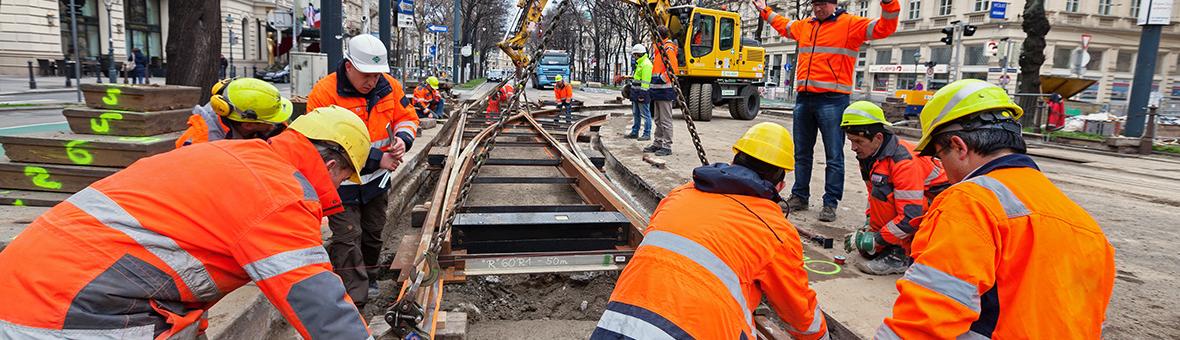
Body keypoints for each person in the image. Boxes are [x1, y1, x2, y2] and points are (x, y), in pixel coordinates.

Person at [0, 106, 375, 339]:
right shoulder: (280, 196)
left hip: (33, 286)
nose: (339, 189)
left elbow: (181, 263)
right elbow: (320, 305)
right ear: (329, 166)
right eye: (343, 178)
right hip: (65, 310)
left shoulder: (234, 157)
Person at [875, 79, 1115, 339]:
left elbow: (923, 323)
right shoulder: (1086, 226)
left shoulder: (971, 203)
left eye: (939, 157)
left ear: (959, 146)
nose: (943, 168)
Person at [592, 122, 829, 340]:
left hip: (616, 327)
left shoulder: (680, 194)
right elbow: (801, 316)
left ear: (734, 161)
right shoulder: (775, 231)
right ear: (780, 186)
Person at [754, 0, 900, 222]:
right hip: (804, 98)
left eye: (822, 4)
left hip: (833, 99)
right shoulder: (806, 26)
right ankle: (800, 195)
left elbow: (884, 28)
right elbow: (783, 24)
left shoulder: (851, 24)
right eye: (815, 4)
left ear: (834, 4)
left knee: (834, 156)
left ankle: (830, 202)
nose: (817, 8)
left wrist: (889, 4)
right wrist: (765, 10)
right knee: (801, 153)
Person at [307, 34, 420, 308]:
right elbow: (325, 143)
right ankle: (353, 300)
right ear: (349, 66)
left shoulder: (389, 87)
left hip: (376, 183)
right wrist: (376, 159)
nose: (372, 81)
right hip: (341, 185)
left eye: (377, 74)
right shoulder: (324, 93)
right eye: (365, 74)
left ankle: (369, 277)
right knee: (347, 238)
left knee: (372, 233)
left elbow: (407, 118)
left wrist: (402, 141)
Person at [838, 101, 949, 275]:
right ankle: (892, 245)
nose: (853, 148)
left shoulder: (903, 162)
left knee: (887, 195)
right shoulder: (869, 156)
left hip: (942, 208)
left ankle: (901, 255)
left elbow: (911, 216)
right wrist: (869, 225)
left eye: (858, 141)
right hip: (922, 206)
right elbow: (872, 196)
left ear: (878, 138)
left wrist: (876, 240)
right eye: (851, 141)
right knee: (881, 193)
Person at [176, 77, 293, 149]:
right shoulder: (201, 145)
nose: (274, 125)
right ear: (248, 125)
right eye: (270, 121)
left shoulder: (252, 123)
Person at [645, 25, 679, 157]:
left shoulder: (667, 48)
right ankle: (658, 143)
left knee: (665, 120)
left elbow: (673, 69)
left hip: (664, 90)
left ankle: (666, 146)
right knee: (658, 119)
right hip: (658, 90)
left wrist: (662, 79)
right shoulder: (659, 49)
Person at [625, 43, 652, 141]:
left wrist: (642, 94)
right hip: (636, 93)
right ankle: (635, 131)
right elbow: (638, 79)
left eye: (634, 55)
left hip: (642, 94)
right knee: (636, 113)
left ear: (637, 54)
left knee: (645, 114)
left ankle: (647, 133)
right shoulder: (640, 63)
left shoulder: (646, 64)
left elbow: (645, 82)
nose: (633, 57)